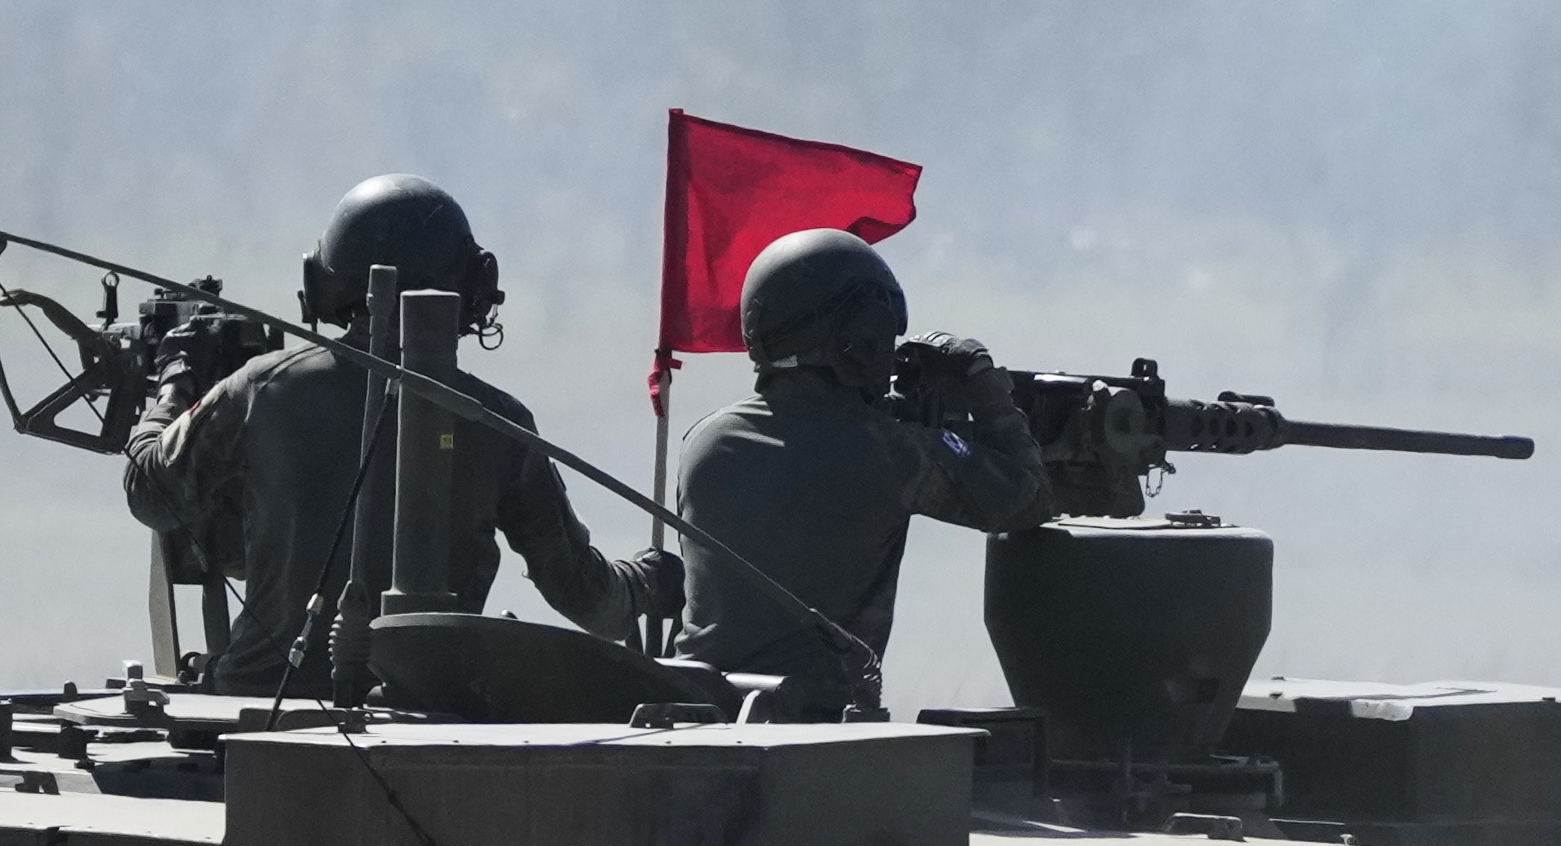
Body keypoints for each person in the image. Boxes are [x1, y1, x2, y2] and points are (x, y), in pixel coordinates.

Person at [128, 175, 630, 686]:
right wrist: (645, 584)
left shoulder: (260, 389)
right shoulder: (500, 423)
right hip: (432, 717)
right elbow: (590, 601)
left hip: (263, 711)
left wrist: (175, 384)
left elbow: (149, 491)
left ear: (324, 281)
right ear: (474, 287)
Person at [672, 227, 1053, 715]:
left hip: (696, 712)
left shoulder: (704, 440)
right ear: (859, 338)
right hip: (817, 735)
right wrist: (983, 384)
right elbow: (1029, 497)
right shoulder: (890, 452)